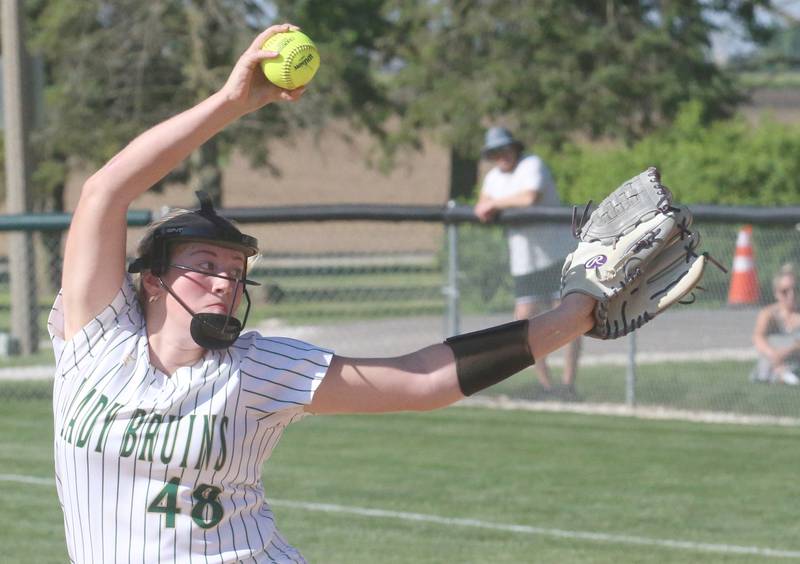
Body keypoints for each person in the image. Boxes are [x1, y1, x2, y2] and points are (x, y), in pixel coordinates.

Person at [50, 24, 597, 563]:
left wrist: (577, 314)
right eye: (205, 264)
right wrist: (230, 102)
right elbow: (104, 190)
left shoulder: (253, 369)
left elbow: (422, 381)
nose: (225, 280)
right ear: (152, 279)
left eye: (236, 271)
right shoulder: (96, 341)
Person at [474, 127, 581, 399]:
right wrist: (490, 204)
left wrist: (495, 204)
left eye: (504, 149)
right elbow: (482, 204)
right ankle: (546, 386)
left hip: (556, 254)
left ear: (515, 148)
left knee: (570, 318)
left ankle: (569, 384)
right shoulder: (493, 178)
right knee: (523, 323)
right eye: (495, 152)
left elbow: (528, 197)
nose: (501, 156)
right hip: (524, 260)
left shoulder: (533, 165)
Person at [751, 263, 800, 385]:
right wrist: (773, 354)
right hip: (774, 357)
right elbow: (758, 337)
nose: (791, 295)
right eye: (785, 291)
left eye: (795, 290)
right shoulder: (769, 314)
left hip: (794, 356)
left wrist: (785, 352)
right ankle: (780, 374)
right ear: (776, 293)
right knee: (772, 342)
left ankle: (783, 374)